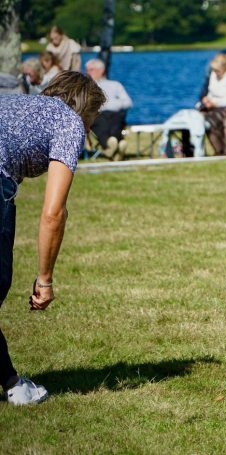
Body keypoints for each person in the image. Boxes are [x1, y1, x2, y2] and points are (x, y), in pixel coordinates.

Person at [0, 71, 106, 405]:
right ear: (84, 110)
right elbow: (53, 213)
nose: (88, 130)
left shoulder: (17, 102)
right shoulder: (69, 122)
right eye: (92, 120)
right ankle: (14, 385)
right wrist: (44, 279)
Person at [85, 58, 133, 160]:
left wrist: (113, 105)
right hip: (97, 114)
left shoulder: (115, 85)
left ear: (101, 71)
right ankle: (115, 144)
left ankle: (111, 145)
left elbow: (128, 102)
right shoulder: (87, 86)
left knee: (116, 118)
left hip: (115, 113)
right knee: (100, 119)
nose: (87, 72)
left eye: (91, 70)